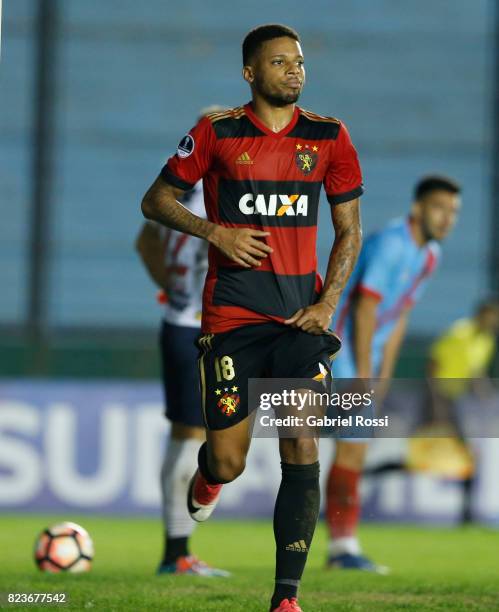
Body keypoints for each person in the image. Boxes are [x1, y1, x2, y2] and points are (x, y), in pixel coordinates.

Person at [141, 23, 363, 612]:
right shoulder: (216, 134)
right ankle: (210, 474)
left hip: (299, 325)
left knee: (301, 441)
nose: (294, 70)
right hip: (232, 322)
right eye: (279, 62)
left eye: (299, 61)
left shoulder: (330, 136)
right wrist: (215, 231)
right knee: (230, 460)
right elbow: (155, 200)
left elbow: (348, 231)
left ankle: (286, 596)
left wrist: (326, 304)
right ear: (250, 72)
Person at [325, 175, 461, 571]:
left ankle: (342, 546)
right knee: (348, 448)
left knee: (349, 449)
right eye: (440, 208)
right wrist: (365, 372)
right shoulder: (391, 244)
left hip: (364, 358)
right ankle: (342, 548)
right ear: (419, 208)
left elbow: (400, 313)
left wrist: (385, 370)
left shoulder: (429, 254)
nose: (447, 218)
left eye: (453, 212)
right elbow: (365, 309)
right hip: (343, 353)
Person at [136, 106, 230, 576]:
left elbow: (143, 241)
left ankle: (176, 551)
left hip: (180, 319)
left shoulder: (175, 194)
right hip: (199, 328)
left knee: (188, 435)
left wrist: (167, 287)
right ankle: (176, 553)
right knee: (194, 435)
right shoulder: (213, 200)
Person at [426, 298, 499, 523]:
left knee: (466, 453)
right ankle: (466, 514)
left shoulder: (486, 340)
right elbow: (433, 365)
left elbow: (476, 373)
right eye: (493, 315)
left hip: (456, 400)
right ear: (482, 314)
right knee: (422, 455)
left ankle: (466, 513)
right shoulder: (459, 333)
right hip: (438, 398)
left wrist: (488, 395)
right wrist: (436, 402)